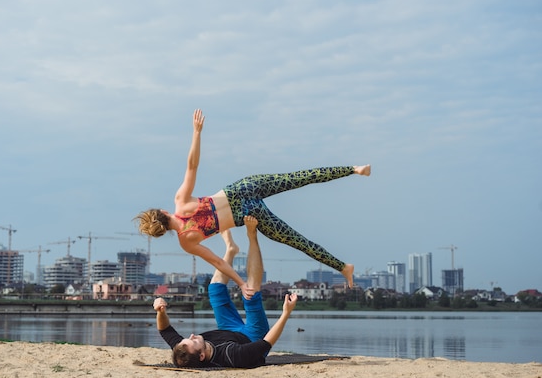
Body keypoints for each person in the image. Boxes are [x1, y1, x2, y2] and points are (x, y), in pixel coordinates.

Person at [136, 109, 370, 297]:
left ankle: (342, 267)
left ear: (163, 231)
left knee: (298, 241)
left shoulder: (187, 241)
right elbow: (192, 166)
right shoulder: (181, 201)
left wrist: (241, 283)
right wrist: (197, 133)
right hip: (242, 188)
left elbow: (218, 262)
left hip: (249, 213)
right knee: (300, 178)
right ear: (164, 212)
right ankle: (354, 169)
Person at [153, 216, 298, 368]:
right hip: (252, 337)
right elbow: (266, 342)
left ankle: (230, 249)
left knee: (214, 289)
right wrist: (286, 313)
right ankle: (252, 235)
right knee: (250, 294)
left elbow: (165, 330)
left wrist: (160, 311)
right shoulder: (232, 355)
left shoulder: (184, 350)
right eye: (194, 341)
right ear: (202, 355)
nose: (192, 335)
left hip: (227, 330)